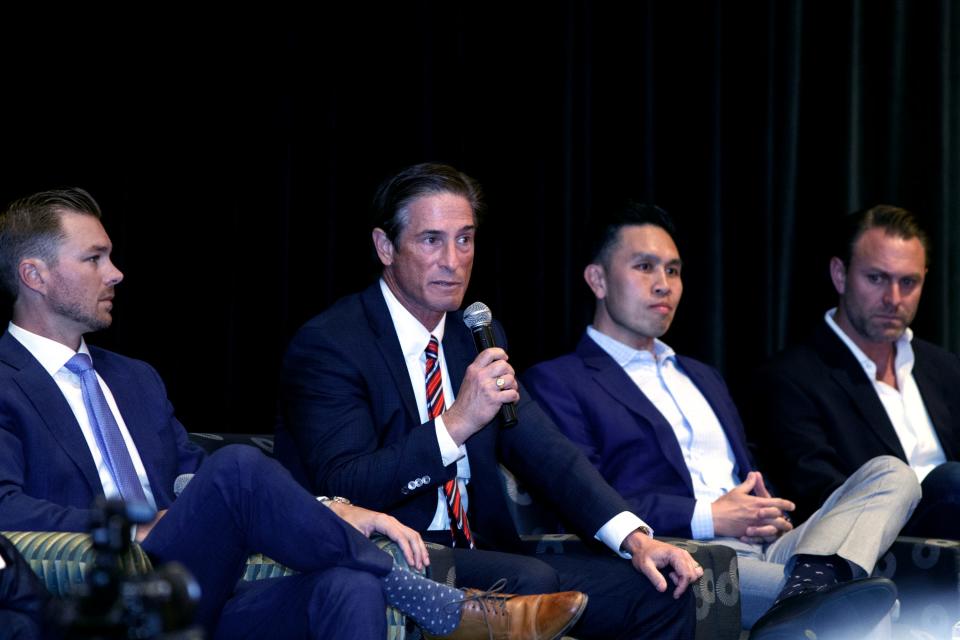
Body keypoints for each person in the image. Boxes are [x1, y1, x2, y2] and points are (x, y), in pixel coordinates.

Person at [0, 187, 588, 640]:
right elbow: (6, 504)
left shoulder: (134, 378)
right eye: (95, 258)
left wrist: (332, 510)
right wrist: (130, 526)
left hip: (197, 581)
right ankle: (442, 605)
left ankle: (420, 595)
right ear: (35, 274)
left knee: (345, 584)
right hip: (95, 590)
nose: (116, 272)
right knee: (234, 466)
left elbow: (191, 477)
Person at [279, 163, 703, 639]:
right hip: (394, 556)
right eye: (431, 240)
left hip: (483, 551)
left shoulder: (473, 335)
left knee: (661, 591)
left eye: (465, 239)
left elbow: (547, 452)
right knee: (530, 583)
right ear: (385, 247)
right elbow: (345, 481)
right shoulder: (333, 344)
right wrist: (456, 423)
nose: (453, 260)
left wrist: (635, 539)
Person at [522, 202, 916, 638]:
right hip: (687, 557)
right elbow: (584, 500)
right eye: (645, 267)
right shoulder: (559, 381)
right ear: (597, 279)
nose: (663, 285)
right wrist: (710, 516)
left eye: (673, 271)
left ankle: (810, 587)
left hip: (772, 550)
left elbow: (743, 473)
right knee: (871, 607)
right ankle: (814, 597)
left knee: (892, 475)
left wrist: (766, 508)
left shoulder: (702, 375)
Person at [750, 205, 960, 539]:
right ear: (839, 274)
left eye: (908, 282)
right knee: (952, 481)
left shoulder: (943, 368)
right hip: (882, 548)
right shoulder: (790, 379)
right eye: (876, 278)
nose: (893, 299)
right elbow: (822, 499)